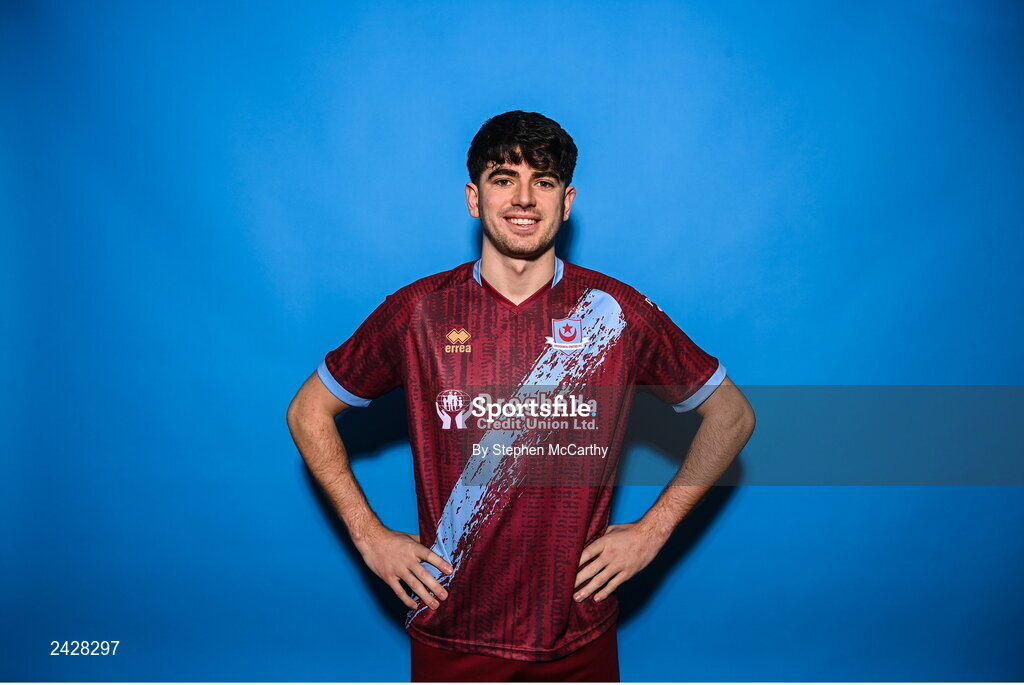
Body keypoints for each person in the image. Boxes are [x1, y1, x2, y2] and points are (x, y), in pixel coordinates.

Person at [286, 110, 756, 682]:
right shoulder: (419, 313)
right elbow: (309, 410)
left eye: (545, 181)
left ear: (567, 200)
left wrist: (653, 530)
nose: (524, 198)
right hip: (452, 627)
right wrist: (369, 535)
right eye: (504, 178)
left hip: (576, 632)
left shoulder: (615, 314)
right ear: (473, 198)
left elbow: (731, 415)